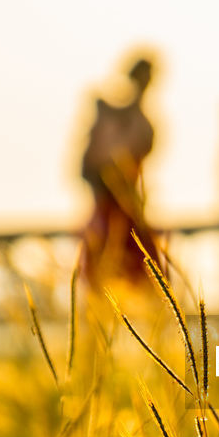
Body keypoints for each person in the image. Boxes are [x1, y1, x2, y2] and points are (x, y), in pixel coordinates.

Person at [78, 56, 162, 288]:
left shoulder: (124, 115)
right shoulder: (116, 116)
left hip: (128, 203)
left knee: (145, 272)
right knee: (121, 268)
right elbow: (99, 161)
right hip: (113, 204)